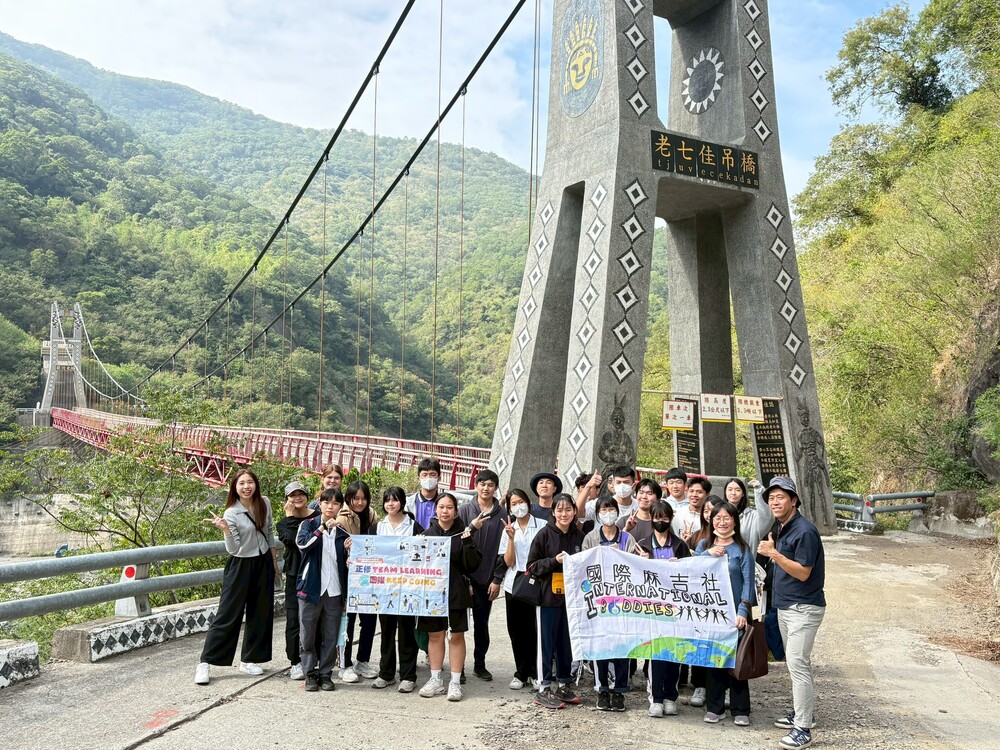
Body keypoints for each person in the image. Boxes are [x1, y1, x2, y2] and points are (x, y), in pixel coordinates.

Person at [757, 477, 826, 750]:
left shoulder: (804, 531)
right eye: (771, 498)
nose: (774, 501)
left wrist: (774, 554)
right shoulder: (782, 526)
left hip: (803, 608)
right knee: (793, 664)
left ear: (794, 500)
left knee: (799, 665)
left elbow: (803, 571)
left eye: (780, 497)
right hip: (786, 607)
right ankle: (801, 713)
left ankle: (803, 728)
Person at [196, 469, 280, 685]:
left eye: (250, 482)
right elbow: (233, 549)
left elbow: (269, 531)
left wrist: (272, 560)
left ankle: (249, 659)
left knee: (260, 612)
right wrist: (225, 530)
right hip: (240, 564)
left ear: (256, 484)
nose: (246, 487)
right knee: (228, 613)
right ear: (234, 487)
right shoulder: (231, 513)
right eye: (241, 483)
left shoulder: (265, 503)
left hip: (262, 562)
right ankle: (205, 662)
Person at [417, 493, 484, 701]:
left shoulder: (463, 534)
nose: (445, 511)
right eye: (441, 507)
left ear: (456, 511)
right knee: (435, 635)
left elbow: (472, 565)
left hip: (456, 591)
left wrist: (468, 543)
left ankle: (455, 681)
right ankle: (436, 679)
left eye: (449, 507)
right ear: (435, 510)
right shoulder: (427, 534)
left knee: (456, 635)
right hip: (432, 592)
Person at [696, 501, 756, 726]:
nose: (722, 522)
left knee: (737, 662)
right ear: (711, 521)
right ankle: (715, 707)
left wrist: (743, 611)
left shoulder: (742, 549)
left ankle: (741, 709)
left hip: (735, 616)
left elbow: (749, 583)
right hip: (711, 615)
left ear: (735, 521)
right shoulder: (704, 544)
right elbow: (689, 568)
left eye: (727, 518)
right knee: (714, 662)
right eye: (717, 518)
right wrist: (707, 554)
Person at [582, 496, 643, 712]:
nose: (608, 512)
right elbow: (585, 567)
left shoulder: (627, 538)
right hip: (599, 602)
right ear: (597, 513)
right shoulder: (590, 537)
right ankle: (603, 690)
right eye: (603, 509)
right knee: (602, 647)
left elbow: (634, 566)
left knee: (621, 647)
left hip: (623, 603)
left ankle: (619, 691)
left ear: (617, 512)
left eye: (611, 508)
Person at [527, 493, 585, 709]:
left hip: (571, 601)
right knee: (546, 644)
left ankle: (563, 684)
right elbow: (531, 567)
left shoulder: (579, 537)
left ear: (574, 511)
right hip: (547, 599)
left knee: (565, 644)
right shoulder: (543, 535)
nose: (564, 514)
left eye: (568, 509)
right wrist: (554, 561)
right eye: (559, 510)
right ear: (553, 512)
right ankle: (543, 688)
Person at [637, 500, 690, 718]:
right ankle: (656, 698)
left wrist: (681, 566)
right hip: (652, 609)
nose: (661, 522)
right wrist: (642, 562)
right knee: (656, 653)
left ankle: (671, 696)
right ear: (651, 518)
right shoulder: (642, 545)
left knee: (674, 653)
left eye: (665, 518)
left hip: (676, 608)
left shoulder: (680, 545)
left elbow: (691, 575)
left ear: (670, 519)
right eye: (657, 518)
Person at [295, 487, 350, 692]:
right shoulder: (307, 525)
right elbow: (303, 546)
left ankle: (326, 674)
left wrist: (350, 554)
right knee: (307, 634)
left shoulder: (343, 533)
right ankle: (310, 673)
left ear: (340, 507)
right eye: (326, 502)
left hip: (334, 590)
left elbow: (347, 563)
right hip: (310, 589)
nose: (330, 506)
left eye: (335, 503)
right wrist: (321, 529)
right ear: (320, 504)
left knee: (330, 635)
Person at [371, 486, 424, 693]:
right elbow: (369, 552)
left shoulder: (414, 526)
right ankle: (386, 673)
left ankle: (408, 676)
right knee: (386, 631)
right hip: (384, 588)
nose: (390, 504)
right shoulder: (377, 527)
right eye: (387, 501)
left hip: (407, 588)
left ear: (402, 502)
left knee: (406, 631)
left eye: (394, 500)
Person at [458, 469, 506, 681]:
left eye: (490, 485)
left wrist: (497, 579)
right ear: (476, 485)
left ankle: (479, 663)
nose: (486, 488)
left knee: (482, 624)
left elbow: (505, 550)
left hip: (486, 579)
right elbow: (456, 539)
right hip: (463, 578)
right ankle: (456, 668)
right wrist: (472, 527)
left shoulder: (503, 515)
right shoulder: (464, 510)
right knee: (457, 625)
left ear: (495, 488)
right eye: (482, 484)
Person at [495, 488, 544, 690]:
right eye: (513, 504)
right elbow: (508, 561)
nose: (518, 506)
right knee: (516, 630)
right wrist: (511, 538)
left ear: (528, 502)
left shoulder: (542, 526)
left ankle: (536, 671)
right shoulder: (509, 528)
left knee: (535, 629)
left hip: (537, 581)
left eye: (520, 502)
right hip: (513, 583)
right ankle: (520, 672)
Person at [274, 480, 319, 681]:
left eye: (301, 494)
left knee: (316, 619)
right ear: (287, 500)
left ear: (307, 496)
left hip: (315, 574)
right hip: (294, 575)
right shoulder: (283, 523)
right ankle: (295, 662)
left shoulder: (318, 518)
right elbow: (294, 540)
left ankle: (315, 658)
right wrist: (291, 517)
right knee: (294, 620)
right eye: (292, 495)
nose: (297, 498)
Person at [340, 479, 378, 682]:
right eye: (356, 498)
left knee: (370, 619)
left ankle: (362, 660)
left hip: (369, 576)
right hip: (349, 576)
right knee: (348, 621)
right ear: (349, 498)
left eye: (364, 498)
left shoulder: (372, 516)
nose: (360, 502)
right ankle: (344, 663)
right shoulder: (341, 518)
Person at [724, 477, 774, 560]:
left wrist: (759, 491)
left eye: (737, 490)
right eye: (729, 489)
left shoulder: (752, 516)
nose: (733, 493)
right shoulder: (718, 513)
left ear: (743, 493)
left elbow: (767, 518)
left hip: (745, 563)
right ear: (725, 492)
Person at [618, 477, 660, 541]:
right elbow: (615, 547)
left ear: (658, 498)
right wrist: (626, 530)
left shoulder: (661, 522)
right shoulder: (624, 522)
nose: (644, 497)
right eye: (641, 492)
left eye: (649, 493)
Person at [407, 457, 442, 530]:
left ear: (439, 478)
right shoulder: (409, 503)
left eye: (432, 474)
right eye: (424, 475)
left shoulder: (443, 503)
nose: (428, 478)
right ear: (418, 479)